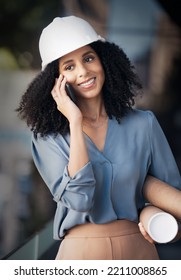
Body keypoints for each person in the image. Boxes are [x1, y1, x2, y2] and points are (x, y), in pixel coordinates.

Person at [16, 16, 181, 260]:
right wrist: (75, 122)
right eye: (69, 67)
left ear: (104, 60)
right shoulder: (48, 138)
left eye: (89, 58)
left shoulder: (143, 124)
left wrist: (160, 224)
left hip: (139, 254)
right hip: (79, 257)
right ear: (55, 80)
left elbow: (173, 200)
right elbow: (78, 199)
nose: (83, 71)